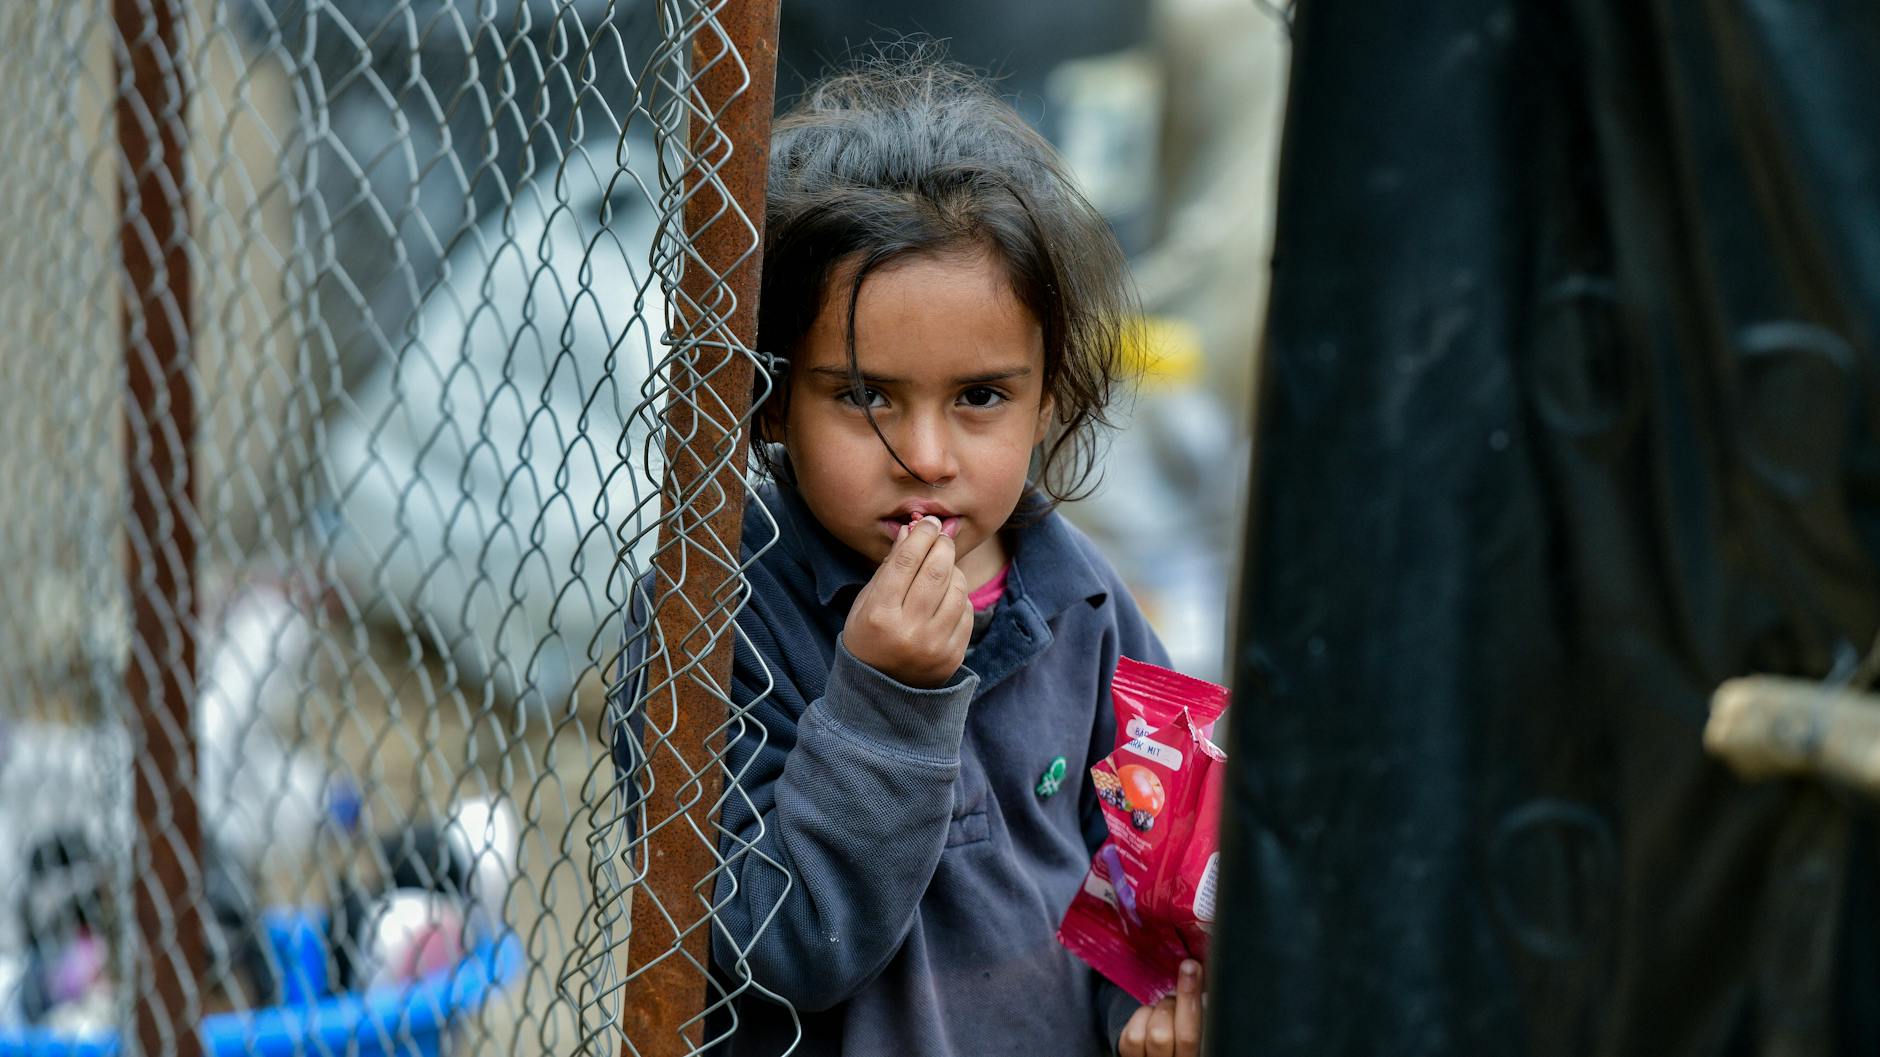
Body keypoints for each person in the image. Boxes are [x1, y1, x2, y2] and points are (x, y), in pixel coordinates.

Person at [630, 50, 1207, 1056]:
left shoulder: (1084, 605)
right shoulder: (719, 611)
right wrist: (886, 701)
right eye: (862, 396)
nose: (926, 458)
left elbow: (1140, 893)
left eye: (980, 395)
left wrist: (1144, 1021)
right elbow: (780, 943)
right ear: (770, 399)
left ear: (1048, 397)